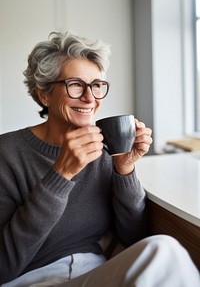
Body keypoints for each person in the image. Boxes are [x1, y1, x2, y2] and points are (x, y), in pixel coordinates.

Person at [0, 31, 199, 287]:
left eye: (96, 85)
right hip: (31, 280)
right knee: (164, 250)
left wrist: (124, 169)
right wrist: (60, 175)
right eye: (75, 84)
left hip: (97, 273)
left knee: (162, 251)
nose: (90, 98)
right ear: (44, 94)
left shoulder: (104, 149)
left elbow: (132, 236)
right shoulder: (7, 154)